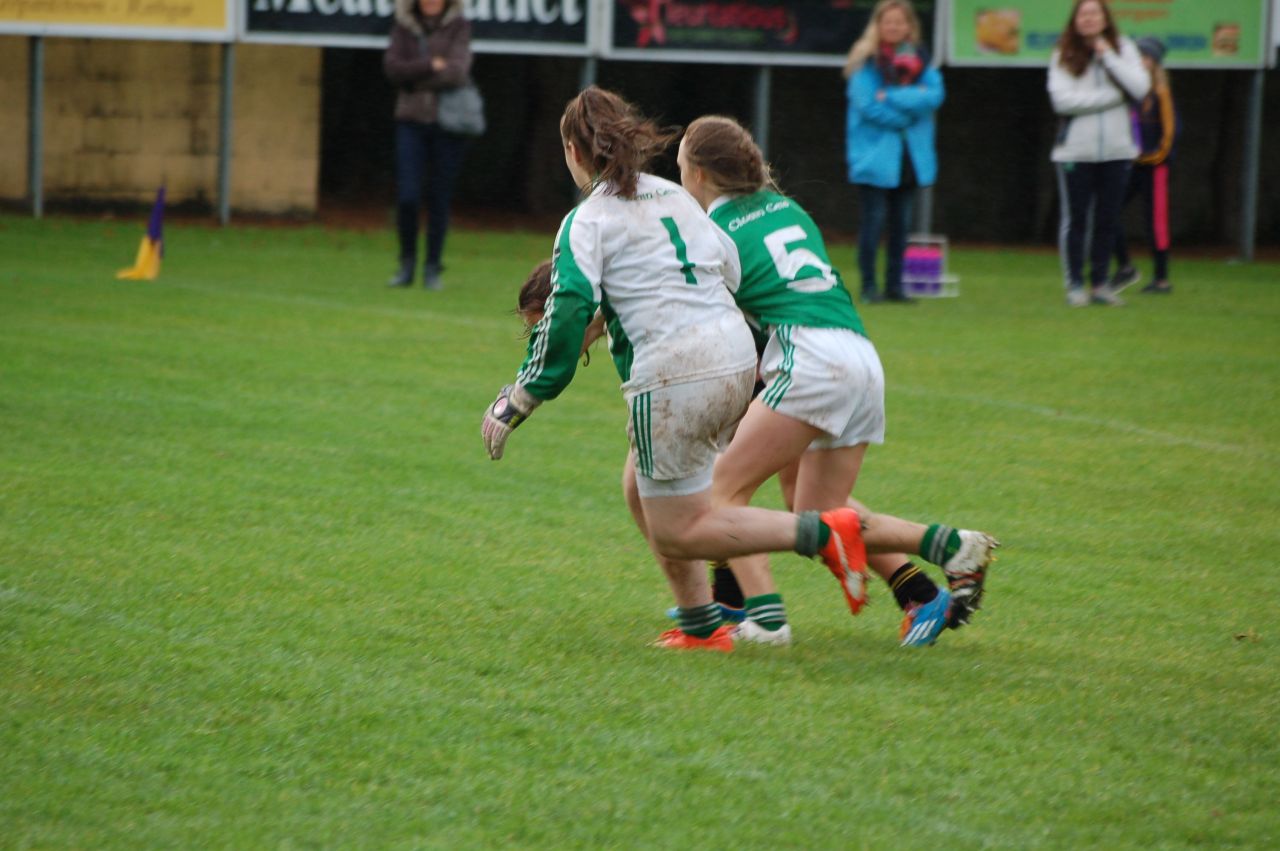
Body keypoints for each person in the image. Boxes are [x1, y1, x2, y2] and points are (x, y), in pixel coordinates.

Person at [481, 86, 870, 653]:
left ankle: (823, 534)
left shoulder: (585, 221)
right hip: (737, 359)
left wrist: (521, 397)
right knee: (639, 484)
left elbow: (567, 311)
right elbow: (731, 266)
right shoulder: (673, 194)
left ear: (572, 150)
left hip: (673, 374)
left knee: (682, 531)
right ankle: (702, 624)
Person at [677, 115, 996, 648]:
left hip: (811, 359)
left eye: (682, 164)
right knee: (817, 516)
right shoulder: (788, 208)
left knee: (720, 494)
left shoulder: (714, 233)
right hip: (860, 356)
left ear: (701, 176)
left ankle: (762, 618)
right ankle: (951, 547)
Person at [1048, 0, 1150, 308]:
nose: (1089, 19)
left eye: (1095, 13)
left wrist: (1108, 56)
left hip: (1118, 151)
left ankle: (1101, 284)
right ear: (1075, 19)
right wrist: (1113, 97)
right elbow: (1063, 101)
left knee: (1107, 219)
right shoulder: (1063, 53)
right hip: (1075, 151)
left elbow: (1140, 87)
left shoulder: (1123, 49)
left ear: (1105, 19)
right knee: (1076, 219)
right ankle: (1075, 283)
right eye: (1083, 13)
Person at [843, 0, 944, 304]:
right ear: (878, 25)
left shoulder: (921, 62)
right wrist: (907, 113)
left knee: (902, 225)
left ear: (910, 26)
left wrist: (893, 96)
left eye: (900, 22)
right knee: (873, 223)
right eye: (888, 22)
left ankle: (896, 287)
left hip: (910, 158)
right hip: (874, 157)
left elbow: (935, 95)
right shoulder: (865, 62)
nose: (894, 28)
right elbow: (868, 105)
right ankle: (869, 286)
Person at [382, 0, 473, 291]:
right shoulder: (403, 26)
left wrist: (415, 78)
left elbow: (457, 72)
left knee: (439, 197)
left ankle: (432, 266)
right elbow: (393, 69)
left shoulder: (459, 26)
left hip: (449, 123)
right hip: (410, 120)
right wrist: (430, 65)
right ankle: (407, 263)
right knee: (407, 196)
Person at [1112, 36, 1176, 295]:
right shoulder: (1129, 92)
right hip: (1130, 165)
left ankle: (1161, 279)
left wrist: (1153, 156)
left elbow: (1170, 134)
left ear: (1155, 62)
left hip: (1155, 167)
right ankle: (1125, 265)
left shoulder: (1161, 94)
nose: (1141, 61)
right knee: (1109, 211)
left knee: (1156, 222)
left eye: (1145, 57)